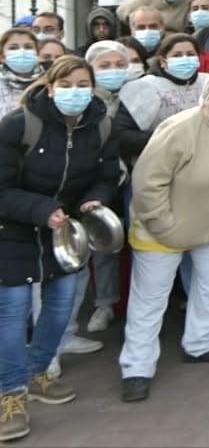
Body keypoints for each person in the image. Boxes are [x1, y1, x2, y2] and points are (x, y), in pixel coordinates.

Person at [118, 69, 209, 402]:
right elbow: (147, 182)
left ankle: (201, 343)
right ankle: (136, 368)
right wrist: (163, 223)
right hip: (160, 230)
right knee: (149, 300)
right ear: (206, 99)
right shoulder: (176, 129)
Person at [0, 56, 118, 439]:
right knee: (13, 315)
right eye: (65, 85)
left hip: (65, 233)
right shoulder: (19, 125)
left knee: (60, 308)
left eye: (82, 84)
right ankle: (9, 395)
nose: (75, 92)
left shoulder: (101, 126)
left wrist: (94, 200)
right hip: (13, 231)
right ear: (50, 88)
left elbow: (108, 175)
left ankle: (38, 373)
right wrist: (42, 209)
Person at [79, 41, 133, 336]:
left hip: (134, 177)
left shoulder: (136, 95)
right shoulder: (83, 100)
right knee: (102, 243)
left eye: (119, 65)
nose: (113, 72)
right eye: (104, 66)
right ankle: (104, 303)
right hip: (95, 181)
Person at [115, 34, 207, 167]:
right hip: (157, 163)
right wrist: (165, 140)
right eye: (177, 55)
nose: (185, 59)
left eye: (190, 54)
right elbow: (122, 134)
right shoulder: (142, 87)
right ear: (163, 61)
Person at [0, 28, 41, 117]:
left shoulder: (45, 84)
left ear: (37, 54)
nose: (22, 51)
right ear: (2, 57)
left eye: (28, 47)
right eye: (13, 48)